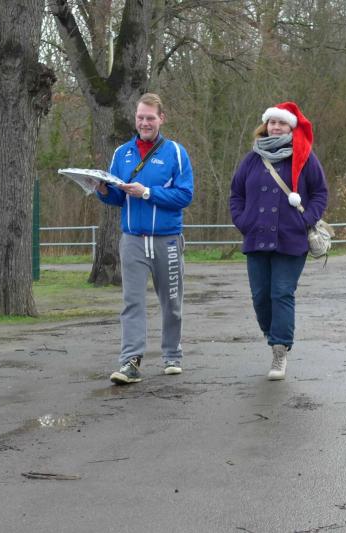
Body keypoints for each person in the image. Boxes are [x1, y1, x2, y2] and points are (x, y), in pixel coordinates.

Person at [95, 92, 194, 385]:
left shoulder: (176, 153)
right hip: (133, 241)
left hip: (167, 240)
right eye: (140, 117)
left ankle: (172, 355)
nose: (144, 123)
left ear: (161, 119)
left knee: (171, 302)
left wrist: (148, 192)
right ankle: (130, 361)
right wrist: (102, 190)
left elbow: (185, 195)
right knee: (132, 303)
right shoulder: (121, 153)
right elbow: (117, 197)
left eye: (150, 118)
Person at [229, 101, 329, 380]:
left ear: (291, 127)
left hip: (290, 239)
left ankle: (279, 349)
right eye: (272, 122)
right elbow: (236, 194)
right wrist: (243, 221)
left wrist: (305, 219)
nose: (276, 127)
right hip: (256, 238)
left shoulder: (305, 157)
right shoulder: (251, 159)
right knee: (260, 297)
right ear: (265, 125)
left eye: (282, 123)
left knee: (281, 292)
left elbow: (320, 193)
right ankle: (273, 334)